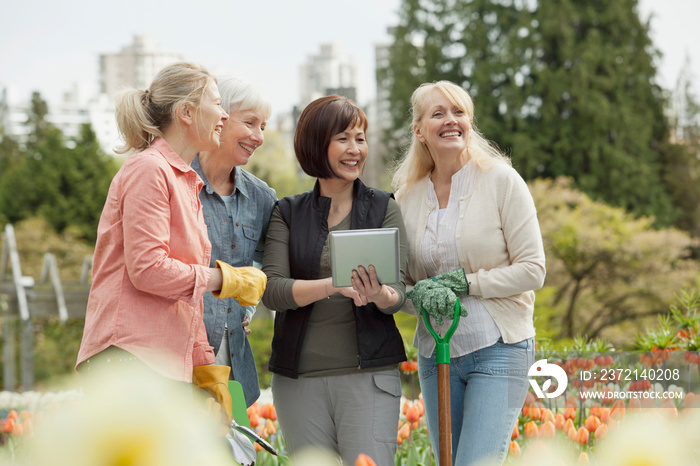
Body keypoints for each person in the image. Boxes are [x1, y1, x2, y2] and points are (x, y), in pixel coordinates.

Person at [76, 63, 267, 423]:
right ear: (186, 113)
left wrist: (207, 368)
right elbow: (148, 269)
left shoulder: (185, 181)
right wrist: (224, 279)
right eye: (216, 103)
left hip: (164, 365)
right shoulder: (149, 170)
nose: (224, 115)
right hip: (128, 358)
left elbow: (186, 297)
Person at [392, 81, 546, 466]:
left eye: (458, 112)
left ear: (469, 121)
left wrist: (469, 283)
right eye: (438, 113)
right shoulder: (405, 197)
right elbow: (402, 285)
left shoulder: (500, 181)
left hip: (498, 348)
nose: (450, 121)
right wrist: (416, 296)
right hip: (435, 352)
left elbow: (533, 269)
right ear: (419, 129)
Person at [261, 95, 408, 465]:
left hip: (369, 378)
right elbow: (274, 291)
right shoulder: (287, 212)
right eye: (343, 138)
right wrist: (333, 285)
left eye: (360, 138)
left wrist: (381, 295)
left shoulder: (383, 207)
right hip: (299, 383)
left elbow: (401, 292)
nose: (355, 149)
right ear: (316, 143)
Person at [192, 76, 277, 408]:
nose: (258, 136)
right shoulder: (176, 182)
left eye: (264, 126)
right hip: (177, 357)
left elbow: (267, 261)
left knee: (237, 457)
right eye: (250, 122)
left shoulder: (261, 196)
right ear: (220, 118)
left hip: (232, 359)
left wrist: (248, 304)